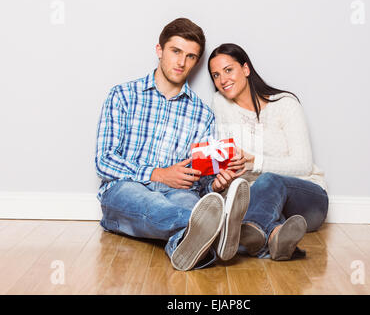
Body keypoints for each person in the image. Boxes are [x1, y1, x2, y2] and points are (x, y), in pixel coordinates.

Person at [95, 19, 249, 271]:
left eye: (190, 56)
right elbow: (104, 160)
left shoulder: (202, 113)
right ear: (159, 50)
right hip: (126, 189)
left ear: (196, 62)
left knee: (194, 205)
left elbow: (201, 180)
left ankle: (184, 246)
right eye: (175, 52)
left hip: (179, 193)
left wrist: (218, 181)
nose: (181, 63)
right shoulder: (122, 95)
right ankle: (224, 233)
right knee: (149, 203)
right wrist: (158, 174)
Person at [208, 43, 329, 261]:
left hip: (307, 200)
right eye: (216, 75)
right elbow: (229, 161)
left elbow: (303, 164)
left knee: (270, 180)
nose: (222, 80)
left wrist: (255, 162)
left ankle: (247, 237)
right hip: (264, 204)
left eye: (228, 70)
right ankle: (275, 236)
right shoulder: (221, 103)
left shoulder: (285, 104)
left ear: (245, 69)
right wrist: (222, 180)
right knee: (258, 194)